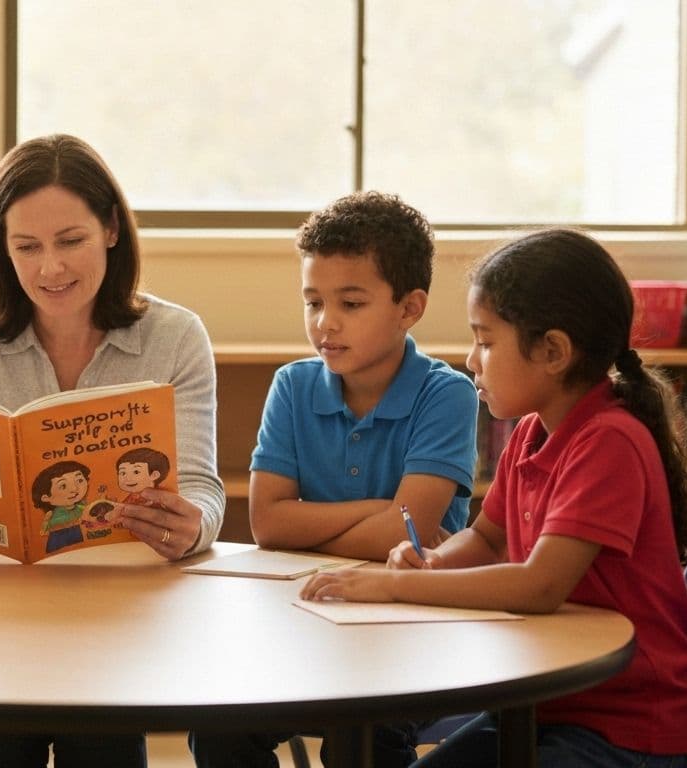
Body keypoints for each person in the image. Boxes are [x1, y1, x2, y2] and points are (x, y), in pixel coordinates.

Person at [0, 133, 226, 768]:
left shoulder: (175, 336)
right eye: (26, 247)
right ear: (0, 249)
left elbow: (200, 486)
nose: (49, 269)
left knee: (104, 744)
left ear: (111, 228)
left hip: (120, 615)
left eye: (70, 241)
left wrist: (192, 526)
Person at [300, 228, 687, 767]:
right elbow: (487, 535)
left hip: (629, 729)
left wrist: (395, 586)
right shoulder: (532, 432)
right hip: (540, 702)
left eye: (486, 342)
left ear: (554, 352)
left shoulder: (609, 439)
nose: (472, 360)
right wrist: (433, 563)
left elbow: (538, 585)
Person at [189, 191, 478, 768]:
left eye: (351, 302)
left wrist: (317, 525)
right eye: (313, 302)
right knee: (218, 728)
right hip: (303, 621)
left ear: (409, 307)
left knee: (362, 739)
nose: (326, 323)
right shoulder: (293, 386)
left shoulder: (447, 393)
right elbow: (268, 524)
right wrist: (380, 512)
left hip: (413, 629)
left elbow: (409, 529)